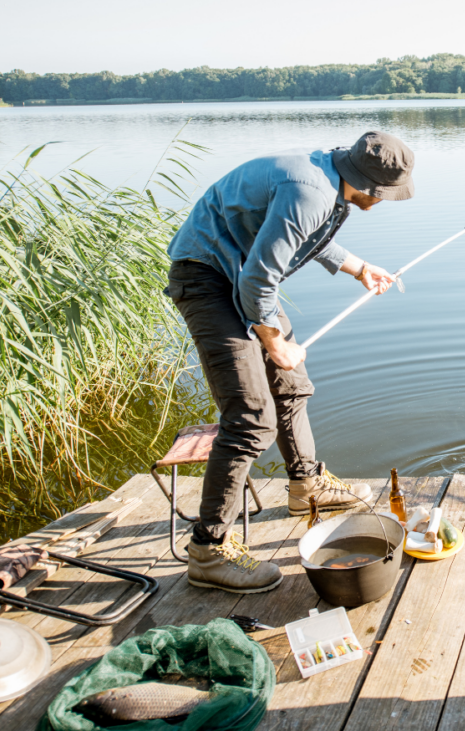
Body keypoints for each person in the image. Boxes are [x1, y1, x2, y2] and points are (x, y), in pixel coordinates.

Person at [164, 131, 415, 594]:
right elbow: (259, 279)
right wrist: (274, 343)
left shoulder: (329, 177)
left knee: (292, 386)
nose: (383, 202)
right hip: (211, 277)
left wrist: (359, 267)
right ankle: (208, 550)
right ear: (368, 185)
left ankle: (306, 487)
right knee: (251, 419)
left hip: (240, 274)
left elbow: (301, 237)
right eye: (384, 195)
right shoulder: (311, 192)